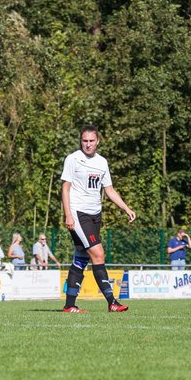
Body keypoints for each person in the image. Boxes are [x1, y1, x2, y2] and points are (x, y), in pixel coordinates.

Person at [59, 125, 136, 313]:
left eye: (91, 141)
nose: (88, 144)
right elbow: (65, 188)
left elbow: (108, 190)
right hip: (79, 214)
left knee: (81, 258)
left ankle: (70, 305)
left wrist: (126, 208)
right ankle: (112, 302)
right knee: (98, 253)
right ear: (81, 141)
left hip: (95, 215)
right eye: (84, 141)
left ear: (97, 141)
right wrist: (68, 214)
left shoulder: (102, 162)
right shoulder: (73, 159)